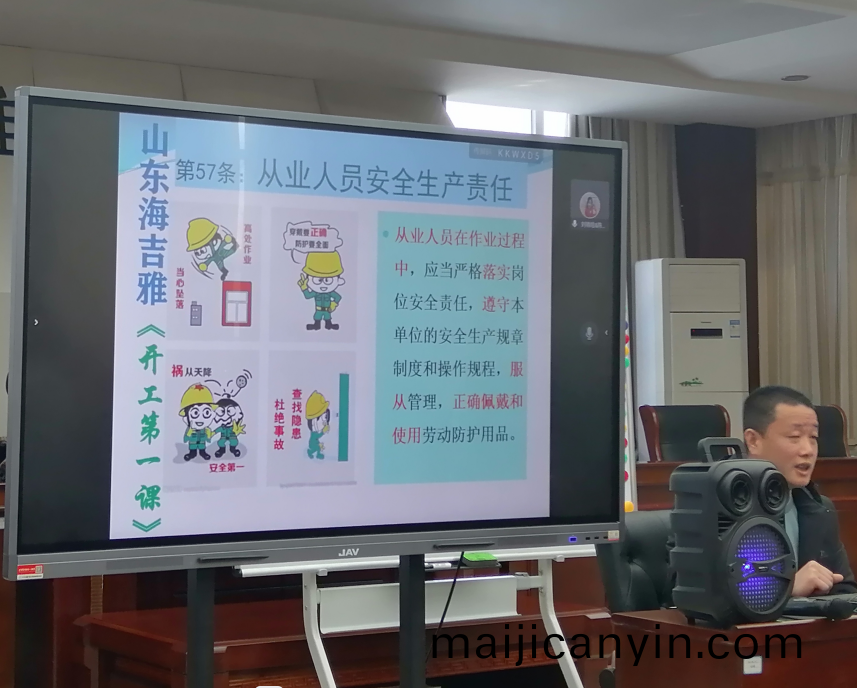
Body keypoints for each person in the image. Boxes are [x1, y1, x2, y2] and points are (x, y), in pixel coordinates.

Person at [740, 385, 857, 596]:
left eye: (813, 437)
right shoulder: (713, 505)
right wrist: (787, 589)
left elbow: (845, 590)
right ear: (753, 441)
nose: (808, 450)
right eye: (794, 437)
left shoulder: (817, 507)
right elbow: (699, 598)